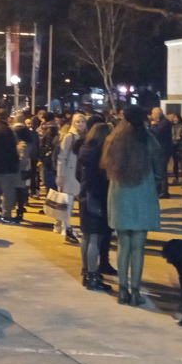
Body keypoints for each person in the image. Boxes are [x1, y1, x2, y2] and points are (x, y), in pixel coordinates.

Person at [102, 105, 161, 306]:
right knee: (138, 247)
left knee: (123, 245)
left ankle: (122, 290)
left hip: (120, 195)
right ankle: (135, 292)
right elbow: (159, 169)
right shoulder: (149, 140)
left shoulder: (114, 139)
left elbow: (106, 168)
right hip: (143, 194)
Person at [78, 122, 112, 291]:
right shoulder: (101, 153)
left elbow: (79, 174)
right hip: (97, 197)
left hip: (85, 195)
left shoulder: (84, 150)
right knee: (95, 238)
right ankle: (92, 275)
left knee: (86, 236)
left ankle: (86, 271)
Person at [53, 113, 87, 242]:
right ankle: (66, 227)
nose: (80, 124)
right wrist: (60, 175)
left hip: (80, 174)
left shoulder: (86, 136)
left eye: (82, 121)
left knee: (72, 203)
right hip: (69, 173)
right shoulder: (69, 136)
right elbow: (62, 157)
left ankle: (63, 225)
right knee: (67, 203)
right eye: (77, 121)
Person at [148, 107, 172, 198]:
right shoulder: (159, 122)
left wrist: (153, 125)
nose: (152, 115)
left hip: (163, 150)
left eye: (153, 113)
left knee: (162, 170)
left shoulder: (164, 122)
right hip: (160, 149)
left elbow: (156, 132)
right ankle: (159, 190)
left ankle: (163, 191)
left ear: (158, 114)